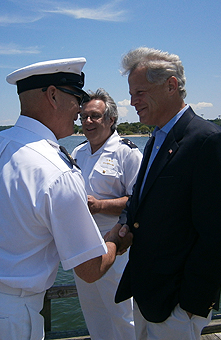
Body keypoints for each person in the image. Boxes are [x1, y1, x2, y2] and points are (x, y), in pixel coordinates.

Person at [0, 57, 132, 340]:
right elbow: (90, 269)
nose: (79, 111)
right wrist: (117, 239)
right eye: (77, 98)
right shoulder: (57, 170)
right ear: (53, 95)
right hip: (4, 315)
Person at [114, 47, 221, 340]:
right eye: (132, 93)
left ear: (171, 85)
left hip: (176, 307)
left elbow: (218, 237)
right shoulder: (155, 139)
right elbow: (141, 202)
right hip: (146, 295)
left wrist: (190, 306)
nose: (133, 102)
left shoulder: (208, 142)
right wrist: (123, 226)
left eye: (140, 92)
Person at [71, 88, 142, 340]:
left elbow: (140, 201)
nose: (88, 122)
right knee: (93, 310)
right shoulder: (77, 153)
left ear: (111, 120)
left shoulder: (127, 153)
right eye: (84, 117)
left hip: (117, 246)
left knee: (123, 313)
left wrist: (99, 206)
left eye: (95, 116)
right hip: (83, 245)